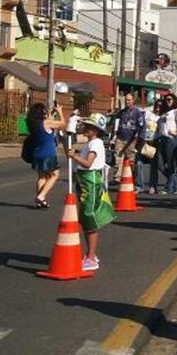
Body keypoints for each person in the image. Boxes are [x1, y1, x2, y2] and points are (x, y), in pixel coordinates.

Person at [69, 113, 117, 272]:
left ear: (96, 130)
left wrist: (74, 157)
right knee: (84, 219)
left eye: (89, 127)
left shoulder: (95, 144)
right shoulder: (90, 143)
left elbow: (88, 164)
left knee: (89, 220)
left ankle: (91, 257)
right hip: (84, 181)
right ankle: (90, 254)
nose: (85, 128)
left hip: (91, 182)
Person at [26, 102, 66, 209]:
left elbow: (49, 125)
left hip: (37, 154)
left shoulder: (34, 124)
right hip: (47, 154)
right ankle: (41, 196)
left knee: (42, 177)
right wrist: (60, 112)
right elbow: (62, 124)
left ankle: (40, 200)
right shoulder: (46, 123)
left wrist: (51, 114)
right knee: (55, 174)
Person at [112, 93, 144, 185]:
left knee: (131, 160)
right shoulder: (121, 112)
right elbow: (115, 123)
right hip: (120, 138)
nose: (127, 102)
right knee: (118, 158)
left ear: (133, 100)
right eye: (126, 100)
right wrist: (113, 135)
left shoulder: (137, 113)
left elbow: (142, 125)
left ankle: (130, 177)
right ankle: (117, 178)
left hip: (131, 140)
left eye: (129, 100)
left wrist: (140, 136)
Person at [156, 101, 177, 195]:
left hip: (170, 139)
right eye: (166, 99)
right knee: (160, 164)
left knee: (170, 164)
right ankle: (176, 185)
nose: (168, 101)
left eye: (170, 99)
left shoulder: (176, 110)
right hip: (161, 139)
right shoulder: (163, 113)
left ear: (174, 100)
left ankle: (169, 187)